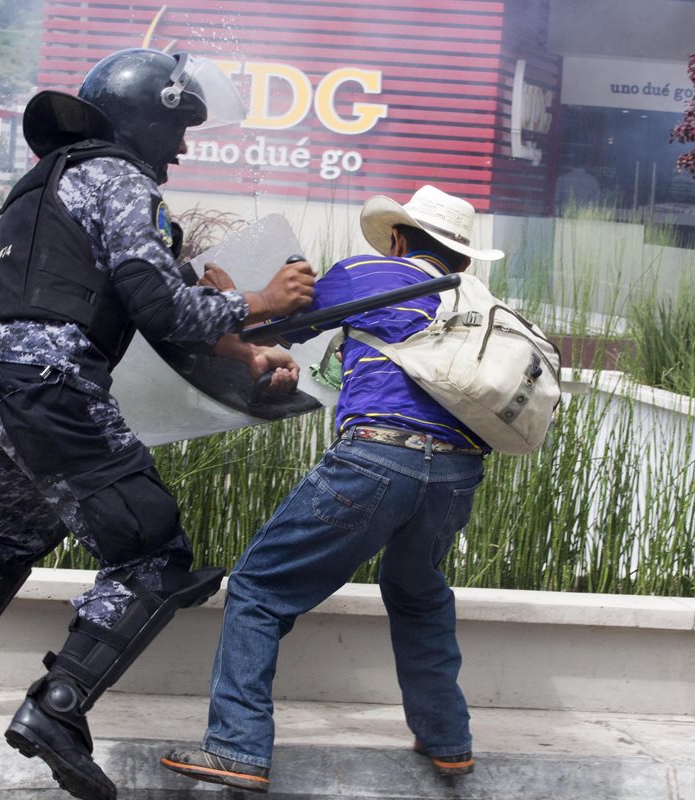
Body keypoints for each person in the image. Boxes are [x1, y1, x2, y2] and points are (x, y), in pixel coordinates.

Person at [0, 48, 314, 800]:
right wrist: (262, 303)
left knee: (8, 534)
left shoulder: (41, 187)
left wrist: (243, 351)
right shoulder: (121, 180)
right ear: (145, 120)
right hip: (53, 390)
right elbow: (165, 310)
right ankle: (58, 710)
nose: (181, 148)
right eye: (178, 129)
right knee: (153, 552)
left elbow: (143, 296)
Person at [160, 185, 503, 793]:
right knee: (419, 593)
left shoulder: (373, 271)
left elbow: (276, 325)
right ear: (465, 259)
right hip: (457, 474)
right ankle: (448, 741)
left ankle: (237, 748)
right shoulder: (478, 300)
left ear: (398, 239)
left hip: (377, 457)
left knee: (260, 589)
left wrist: (223, 297)